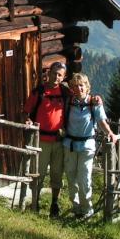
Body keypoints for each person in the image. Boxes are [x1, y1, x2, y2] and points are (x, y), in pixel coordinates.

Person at [63, 72, 117, 219]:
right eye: (75, 86)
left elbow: (101, 122)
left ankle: (87, 209)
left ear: (87, 87)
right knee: (71, 177)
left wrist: (110, 133)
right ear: (72, 88)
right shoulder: (68, 102)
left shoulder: (94, 103)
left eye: (82, 85)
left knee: (84, 178)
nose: (79, 88)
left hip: (87, 145)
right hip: (70, 145)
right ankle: (76, 208)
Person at [23, 61, 69, 218]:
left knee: (57, 174)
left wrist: (95, 99)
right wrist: (27, 121)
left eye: (59, 75)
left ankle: (54, 204)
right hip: (40, 140)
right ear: (48, 73)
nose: (55, 77)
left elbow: (82, 97)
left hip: (58, 141)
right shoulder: (39, 91)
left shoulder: (65, 93)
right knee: (38, 174)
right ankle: (34, 203)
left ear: (63, 77)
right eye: (54, 73)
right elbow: (26, 112)